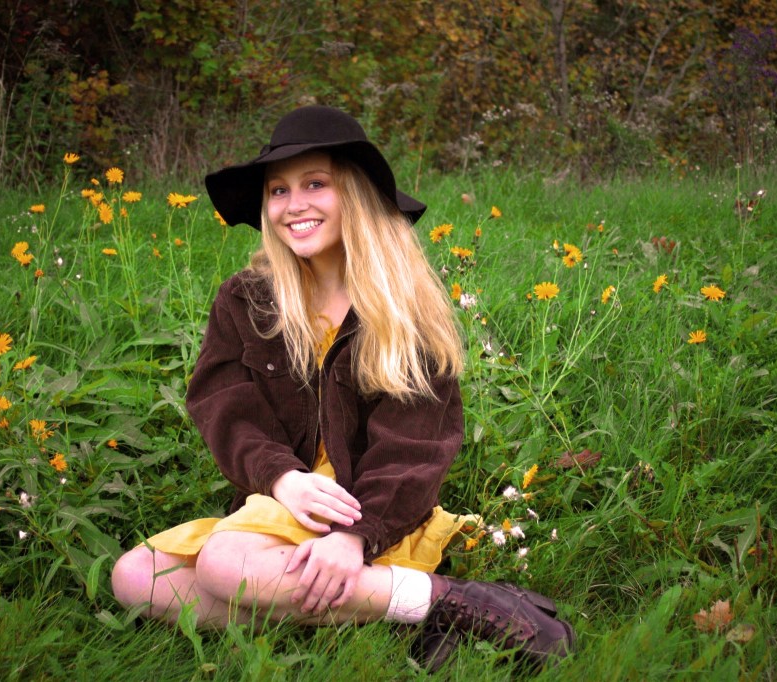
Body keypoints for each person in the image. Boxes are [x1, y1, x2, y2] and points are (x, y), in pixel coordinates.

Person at [111, 105, 574, 669]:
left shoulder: (402, 309)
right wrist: (281, 478)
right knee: (134, 576)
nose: (294, 204)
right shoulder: (247, 299)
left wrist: (354, 538)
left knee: (223, 565)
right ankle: (424, 604)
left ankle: (425, 599)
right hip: (283, 503)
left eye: (315, 184)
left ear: (355, 194)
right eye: (278, 190)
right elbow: (224, 407)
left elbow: (415, 446)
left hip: (375, 512)